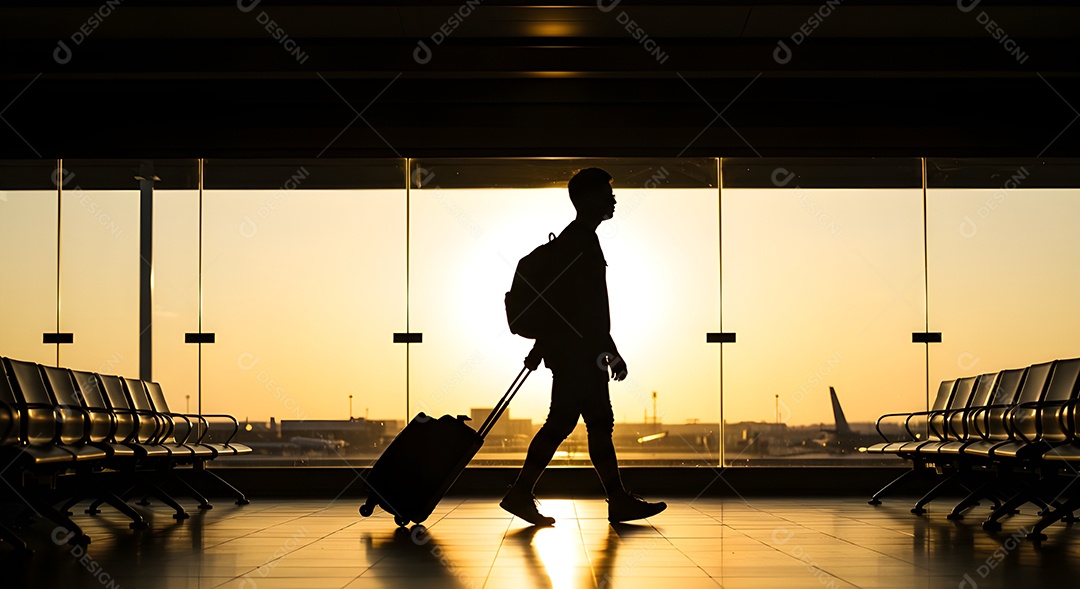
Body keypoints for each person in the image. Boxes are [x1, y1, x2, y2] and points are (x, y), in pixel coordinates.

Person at [500, 167, 667, 526]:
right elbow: (584, 310)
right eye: (608, 193)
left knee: (576, 423)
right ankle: (611, 499)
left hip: (572, 352)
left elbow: (564, 308)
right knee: (584, 424)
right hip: (578, 355)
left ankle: (526, 492)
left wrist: (547, 346)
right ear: (589, 199)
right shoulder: (581, 243)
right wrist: (609, 350)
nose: (614, 199)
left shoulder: (575, 241)